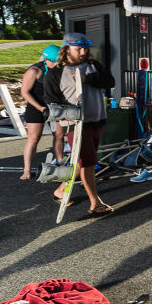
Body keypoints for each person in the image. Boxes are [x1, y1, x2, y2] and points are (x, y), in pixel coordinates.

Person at [43, 33, 115, 215]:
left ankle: (60, 190)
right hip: (76, 126)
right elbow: (51, 101)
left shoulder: (93, 65)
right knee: (89, 162)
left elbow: (109, 81)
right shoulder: (55, 73)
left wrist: (87, 79)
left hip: (97, 119)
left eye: (85, 48)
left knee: (82, 163)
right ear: (66, 49)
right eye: (78, 49)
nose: (83, 52)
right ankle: (95, 203)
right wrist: (69, 113)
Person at [19, 45, 66, 179]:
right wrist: (40, 108)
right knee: (33, 138)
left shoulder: (59, 69)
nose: (58, 65)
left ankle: (60, 163)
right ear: (47, 60)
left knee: (59, 135)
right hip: (36, 106)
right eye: (56, 62)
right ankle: (27, 170)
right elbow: (24, 92)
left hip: (54, 105)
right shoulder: (34, 70)